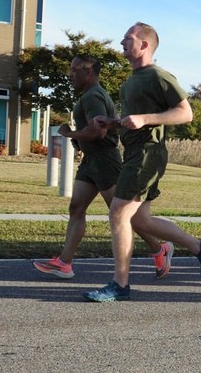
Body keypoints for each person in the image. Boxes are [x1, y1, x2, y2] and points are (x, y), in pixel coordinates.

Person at [84, 22, 201, 302]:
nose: (121, 42)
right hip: (134, 152)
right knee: (141, 219)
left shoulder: (159, 76)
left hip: (148, 153)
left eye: (127, 38)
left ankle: (119, 285)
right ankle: (200, 247)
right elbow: (134, 121)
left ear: (144, 44)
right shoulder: (131, 81)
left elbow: (185, 114)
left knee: (118, 214)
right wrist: (114, 123)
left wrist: (146, 119)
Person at [33, 55, 170, 280]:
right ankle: (64, 263)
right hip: (91, 160)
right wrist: (79, 140)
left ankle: (159, 249)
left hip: (105, 161)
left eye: (74, 69)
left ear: (88, 71)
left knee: (124, 216)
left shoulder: (94, 95)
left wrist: (69, 133)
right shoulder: (90, 95)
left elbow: (98, 131)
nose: (70, 74)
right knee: (76, 208)